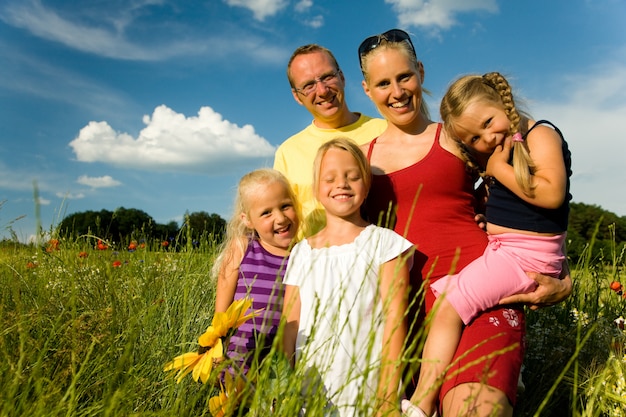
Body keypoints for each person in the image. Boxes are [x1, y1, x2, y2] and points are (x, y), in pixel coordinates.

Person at [357, 29, 572, 416]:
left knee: (476, 410)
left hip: (477, 295)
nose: (398, 91)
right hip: (400, 316)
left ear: (420, 72)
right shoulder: (359, 160)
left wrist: (561, 273)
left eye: (404, 76)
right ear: (367, 90)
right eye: (383, 83)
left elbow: (529, 204)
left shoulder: (459, 137)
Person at [404, 72, 572, 417]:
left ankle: (422, 402)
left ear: (501, 100)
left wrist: (496, 168)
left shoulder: (540, 134)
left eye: (488, 122)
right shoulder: (504, 149)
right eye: (475, 138)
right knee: (447, 293)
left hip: (522, 256)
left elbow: (552, 193)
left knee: (450, 304)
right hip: (510, 251)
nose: (487, 138)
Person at [282, 137, 413, 417]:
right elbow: (290, 325)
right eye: (329, 178)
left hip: (369, 391)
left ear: (366, 185)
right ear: (316, 188)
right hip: (311, 392)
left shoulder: (386, 244)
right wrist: (285, 386)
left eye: (353, 177)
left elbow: (395, 320)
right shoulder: (301, 252)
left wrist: (388, 396)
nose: (341, 184)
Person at [274, 44, 387, 236]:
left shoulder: (385, 130)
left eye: (327, 77)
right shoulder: (288, 152)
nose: (322, 90)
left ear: (342, 77)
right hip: (316, 262)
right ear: (297, 96)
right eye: (308, 85)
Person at [212, 168, 300, 372]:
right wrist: (215, 348)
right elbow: (221, 310)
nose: (280, 218)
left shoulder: (303, 256)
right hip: (237, 362)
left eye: (285, 206)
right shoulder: (243, 246)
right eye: (266, 212)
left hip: (280, 367)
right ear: (247, 220)